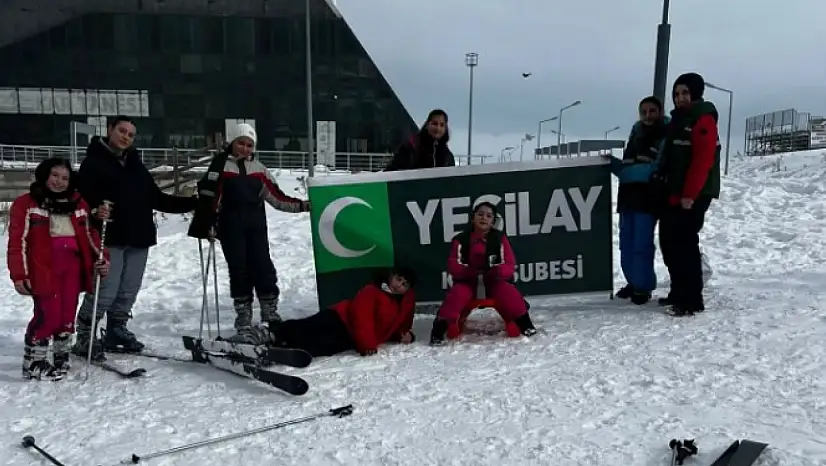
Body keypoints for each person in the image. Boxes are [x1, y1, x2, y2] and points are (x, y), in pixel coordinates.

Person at [73, 116, 197, 359]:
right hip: (110, 236)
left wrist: (193, 204)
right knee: (105, 289)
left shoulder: (136, 166)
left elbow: (157, 198)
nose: (125, 137)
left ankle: (116, 330)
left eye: (130, 134)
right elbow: (82, 199)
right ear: (110, 130)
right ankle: (84, 335)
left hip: (139, 236)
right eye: (121, 131)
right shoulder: (93, 163)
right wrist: (96, 210)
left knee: (128, 289)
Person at [188, 123, 310, 343]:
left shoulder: (260, 170)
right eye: (241, 143)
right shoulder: (220, 167)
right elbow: (212, 201)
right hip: (230, 229)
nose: (245, 149)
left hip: (256, 229)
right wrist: (208, 225)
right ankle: (243, 316)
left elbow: (277, 198)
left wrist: (303, 206)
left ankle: (270, 312)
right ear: (232, 143)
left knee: (263, 268)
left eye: (249, 145)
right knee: (239, 271)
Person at [7, 158, 109, 380]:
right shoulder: (27, 203)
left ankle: (61, 355)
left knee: (67, 313)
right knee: (48, 314)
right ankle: (34, 361)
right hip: (43, 268)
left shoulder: (78, 203)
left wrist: (101, 257)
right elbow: (18, 241)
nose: (59, 181)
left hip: (72, 266)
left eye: (65, 178)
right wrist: (19, 273)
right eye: (55, 175)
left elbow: (90, 234)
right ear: (45, 175)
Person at [241, 267, 418, 357]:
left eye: (404, 284)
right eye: (398, 279)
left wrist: (404, 335)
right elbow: (361, 318)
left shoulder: (405, 303)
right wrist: (368, 345)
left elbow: (395, 327)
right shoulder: (373, 291)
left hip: (351, 339)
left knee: (318, 347)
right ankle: (269, 333)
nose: (398, 285)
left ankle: (278, 349)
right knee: (307, 327)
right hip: (340, 319)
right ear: (391, 275)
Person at [656, 72, 721, 316]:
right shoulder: (678, 120)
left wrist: (690, 195)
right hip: (674, 191)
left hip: (692, 194)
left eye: (684, 92)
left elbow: (702, 160)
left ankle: (692, 299)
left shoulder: (702, 119)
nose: (679, 97)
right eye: (676, 93)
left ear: (696, 92)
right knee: (669, 243)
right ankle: (678, 291)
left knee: (685, 245)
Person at [430, 202, 537, 345]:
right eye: (480, 214)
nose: (484, 218)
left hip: (493, 280)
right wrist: (468, 272)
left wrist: (497, 271)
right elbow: (453, 263)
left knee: (507, 291)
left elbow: (509, 264)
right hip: (468, 280)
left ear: (493, 221)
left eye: (488, 216)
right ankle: (439, 327)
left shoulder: (500, 238)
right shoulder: (461, 239)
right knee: (457, 295)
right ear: (472, 218)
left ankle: (524, 321)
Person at [603, 96, 670, 304]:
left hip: (648, 199)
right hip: (628, 198)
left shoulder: (665, 134)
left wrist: (626, 172)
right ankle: (633, 282)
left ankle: (644, 286)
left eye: (652, 111)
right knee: (626, 243)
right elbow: (627, 167)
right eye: (644, 112)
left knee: (641, 244)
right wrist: (610, 164)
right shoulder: (635, 134)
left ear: (659, 112)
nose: (647, 115)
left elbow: (653, 168)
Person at [384, 109, 456, 171]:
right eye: (434, 124)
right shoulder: (412, 146)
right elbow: (393, 170)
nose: (438, 128)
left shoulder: (448, 156)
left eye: (442, 125)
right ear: (427, 125)